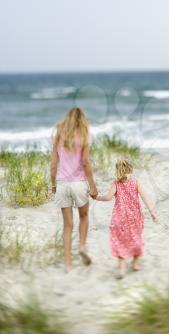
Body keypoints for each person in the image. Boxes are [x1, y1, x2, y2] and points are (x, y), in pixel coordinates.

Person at [50, 107, 98, 272]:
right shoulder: (84, 135)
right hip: (78, 184)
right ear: (81, 120)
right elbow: (85, 163)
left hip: (62, 184)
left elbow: (53, 164)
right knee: (84, 217)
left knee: (67, 225)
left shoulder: (58, 135)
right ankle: (82, 246)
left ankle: (68, 264)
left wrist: (53, 184)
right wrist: (92, 186)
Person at [94, 158, 157, 279]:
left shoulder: (115, 184)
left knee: (120, 241)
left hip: (119, 218)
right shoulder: (135, 182)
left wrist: (97, 197)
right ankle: (135, 263)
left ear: (117, 171)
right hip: (135, 217)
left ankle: (122, 269)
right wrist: (152, 211)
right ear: (131, 170)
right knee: (136, 238)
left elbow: (107, 198)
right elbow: (145, 197)